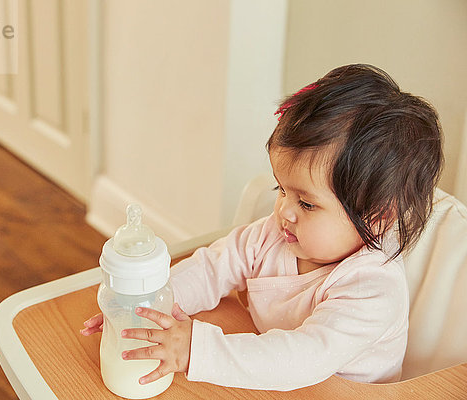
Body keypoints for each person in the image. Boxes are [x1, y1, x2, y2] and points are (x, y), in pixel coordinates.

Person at [81, 64, 444, 391]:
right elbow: (213, 266)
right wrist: (145, 310)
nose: (284, 211)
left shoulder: (372, 290)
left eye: (306, 203)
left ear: (377, 216)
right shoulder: (278, 235)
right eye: (281, 189)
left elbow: (302, 358)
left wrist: (194, 349)